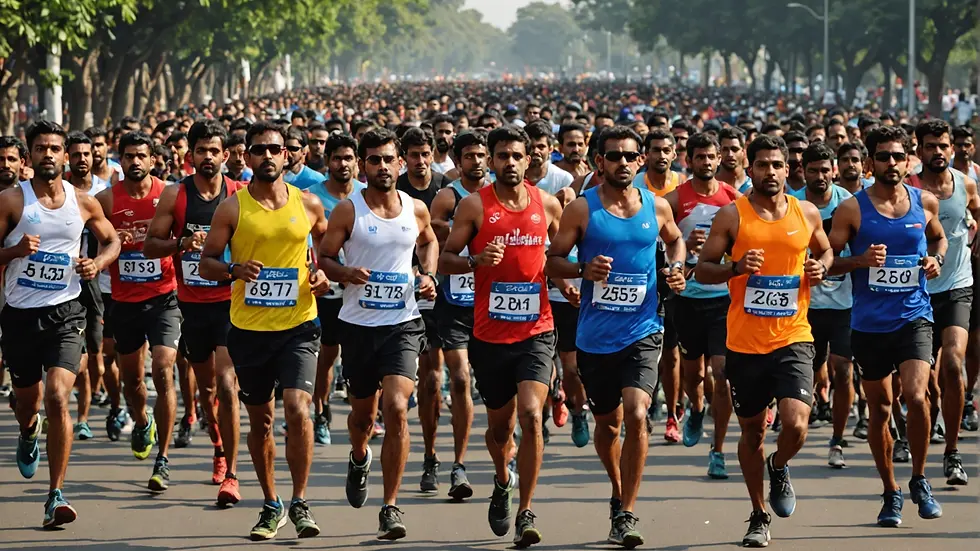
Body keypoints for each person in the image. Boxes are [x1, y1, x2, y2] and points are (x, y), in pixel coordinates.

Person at [546, 125, 687, 548]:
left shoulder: (656, 206)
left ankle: (627, 511)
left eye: (629, 156)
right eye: (614, 156)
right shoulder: (581, 209)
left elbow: (676, 241)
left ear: (639, 160)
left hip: (644, 329)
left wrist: (675, 268)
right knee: (608, 426)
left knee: (637, 413)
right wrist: (582, 270)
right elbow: (552, 261)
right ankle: (617, 490)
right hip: (595, 335)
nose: (622, 162)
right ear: (599, 161)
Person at [696, 134, 833, 547]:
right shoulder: (731, 216)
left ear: (788, 169)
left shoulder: (806, 212)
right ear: (749, 168)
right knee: (752, 432)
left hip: (794, 335)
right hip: (745, 343)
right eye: (762, 165)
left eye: (777, 165)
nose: (770, 172)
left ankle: (779, 463)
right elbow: (702, 270)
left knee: (796, 423)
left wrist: (820, 267)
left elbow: (826, 251)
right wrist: (736, 268)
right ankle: (758, 514)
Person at [199, 120, 330, 540]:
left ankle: (300, 501)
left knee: (298, 408)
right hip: (249, 329)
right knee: (262, 422)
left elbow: (326, 248)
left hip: (299, 324)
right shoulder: (232, 207)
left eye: (275, 149)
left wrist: (322, 274)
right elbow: (206, 264)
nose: (268, 156)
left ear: (287, 154)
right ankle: (272, 503)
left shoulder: (309, 204)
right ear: (248, 156)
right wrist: (234, 270)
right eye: (259, 150)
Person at [439, 126, 563, 547]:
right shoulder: (475, 205)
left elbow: (561, 256)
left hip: (536, 330)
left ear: (530, 159)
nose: (510, 162)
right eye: (502, 156)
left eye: (517, 155)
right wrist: (475, 260)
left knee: (530, 415)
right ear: (491, 161)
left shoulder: (547, 204)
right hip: (490, 335)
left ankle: (526, 511)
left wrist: (571, 283)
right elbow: (445, 260)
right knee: (500, 430)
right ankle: (502, 478)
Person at [318, 128, 439, 540]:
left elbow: (429, 242)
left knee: (397, 407)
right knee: (363, 417)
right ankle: (359, 457)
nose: (382, 166)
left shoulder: (415, 208)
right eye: (374, 160)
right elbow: (325, 257)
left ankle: (390, 505)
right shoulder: (348, 211)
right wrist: (345, 272)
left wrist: (428, 275)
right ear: (362, 165)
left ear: (400, 163)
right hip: (358, 326)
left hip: (403, 323)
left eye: (389, 159)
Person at [1, 120, 120, 526]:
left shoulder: (83, 202)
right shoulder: (11, 201)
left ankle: (56, 494)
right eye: (40, 148)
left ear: (65, 155)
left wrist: (97, 263)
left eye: (54, 148)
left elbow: (112, 240)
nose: (48, 154)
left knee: (56, 395)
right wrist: (15, 250)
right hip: (20, 314)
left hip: (66, 312)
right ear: (30, 156)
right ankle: (27, 430)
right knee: (28, 404)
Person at [827, 125, 946, 527]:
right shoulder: (852, 209)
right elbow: (827, 262)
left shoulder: (924, 201)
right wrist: (859, 261)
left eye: (897, 156)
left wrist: (935, 260)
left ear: (908, 159)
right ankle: (891, 491)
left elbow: (939, 239)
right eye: (883, 157)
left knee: (916, 395)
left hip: (914, 316)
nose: (891, 163)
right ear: (870, 162)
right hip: (869, 324)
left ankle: (919, 479)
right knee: (880, 408)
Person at [144, 119, 245, 505]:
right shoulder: (176, 195)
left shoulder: (239, 195)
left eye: (214, 151)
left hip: (230, 304)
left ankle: (231, 474)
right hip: (191, 305)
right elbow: (150, 246)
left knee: (227, 383)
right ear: (191, 155)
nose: (208, 157)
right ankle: (218, 445)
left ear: (225, 155)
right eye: (201, 150)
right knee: (207, 390)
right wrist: (182, 243)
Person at [96, 131, 182, 491]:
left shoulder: (169, 195)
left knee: (162, 368)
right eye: (128, 156)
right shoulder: (105, 200)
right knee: (131, 381)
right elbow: (97, 242)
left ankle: (163, 458)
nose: (135, 161)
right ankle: (142, 421)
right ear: (121, 160)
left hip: (164, 296)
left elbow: (183, 239)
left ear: (152, 160)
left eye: (141, 156)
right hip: (123, 299)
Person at [664, 132, 739, 479]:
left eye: (711, 156)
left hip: (723, 300)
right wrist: (685, 243)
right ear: (689, 160)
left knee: (721, 374)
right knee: (693, 374)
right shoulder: (674, 200)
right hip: (687, 300)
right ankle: (695, 409)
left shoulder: (733, 198)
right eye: (700, 157)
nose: (706, 162)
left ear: (719, 158)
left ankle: (718, 449)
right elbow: (662, 244)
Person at [913, 119, 978, 486]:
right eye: (930, 146)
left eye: (943, 145)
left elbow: (976, 211)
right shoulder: (908, 188)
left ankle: (952, 452)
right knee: (921, 384)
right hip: (915, 292)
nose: (937, 152)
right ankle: (923, 430)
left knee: (953, 364)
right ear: (919, 150)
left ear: (951, 148)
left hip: (957, 286)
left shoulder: (965, 183)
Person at [427, 130, 489, 500]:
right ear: (457, 160)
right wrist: (465, 234)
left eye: (481, 155)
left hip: (495, 302)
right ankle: (458, 464)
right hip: (455, 302)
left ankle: (506, 450)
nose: (476, 162)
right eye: (469, 156)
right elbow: (432, 237)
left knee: (501, 385)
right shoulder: (447, 197)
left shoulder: (501, 195)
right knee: (461, 378)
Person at [789, 143, 855, 468]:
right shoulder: (792, 204)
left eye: (825, 169)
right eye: (813, 170)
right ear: (803, 171)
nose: (820, 176)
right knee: (810, 372)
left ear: (834, 170)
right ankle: (798, 423)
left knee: (843, 370)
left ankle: (837, 440)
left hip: (845, 303)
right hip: (805, 305)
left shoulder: (850, 203)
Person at [395, 127, 448, 481]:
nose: (420, 161)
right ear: (404, 159)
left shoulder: (445, 188)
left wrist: (429, 274)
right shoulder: (393, 189)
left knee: (432, 379)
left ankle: (431, 455)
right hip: (394, 293)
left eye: (425, 154)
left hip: (436, 291)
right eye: (413, 155)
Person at [305, 133, 366, 446]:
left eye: (348, 158)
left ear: (357, 163)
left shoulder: (368, 196)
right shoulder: (310, 198)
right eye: (337, 158)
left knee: (363, 357)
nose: (343, 164)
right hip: (326, 290)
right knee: (327, 355)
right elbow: (306, 245)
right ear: (327, 161)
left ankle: (367, 414)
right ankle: (321, 411)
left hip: (363, 289)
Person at [65, 131, 114, 442]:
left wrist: (97, 263)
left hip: (94, 282)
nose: (84, 158)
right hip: (59, 285)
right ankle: (75, 414)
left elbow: (112, 238)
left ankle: (96, 400)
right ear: (66, 158)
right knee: (76, 354)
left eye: (87, 152)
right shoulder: (58, 191)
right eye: (77, 154)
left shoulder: (103, 193)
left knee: (95, 350)